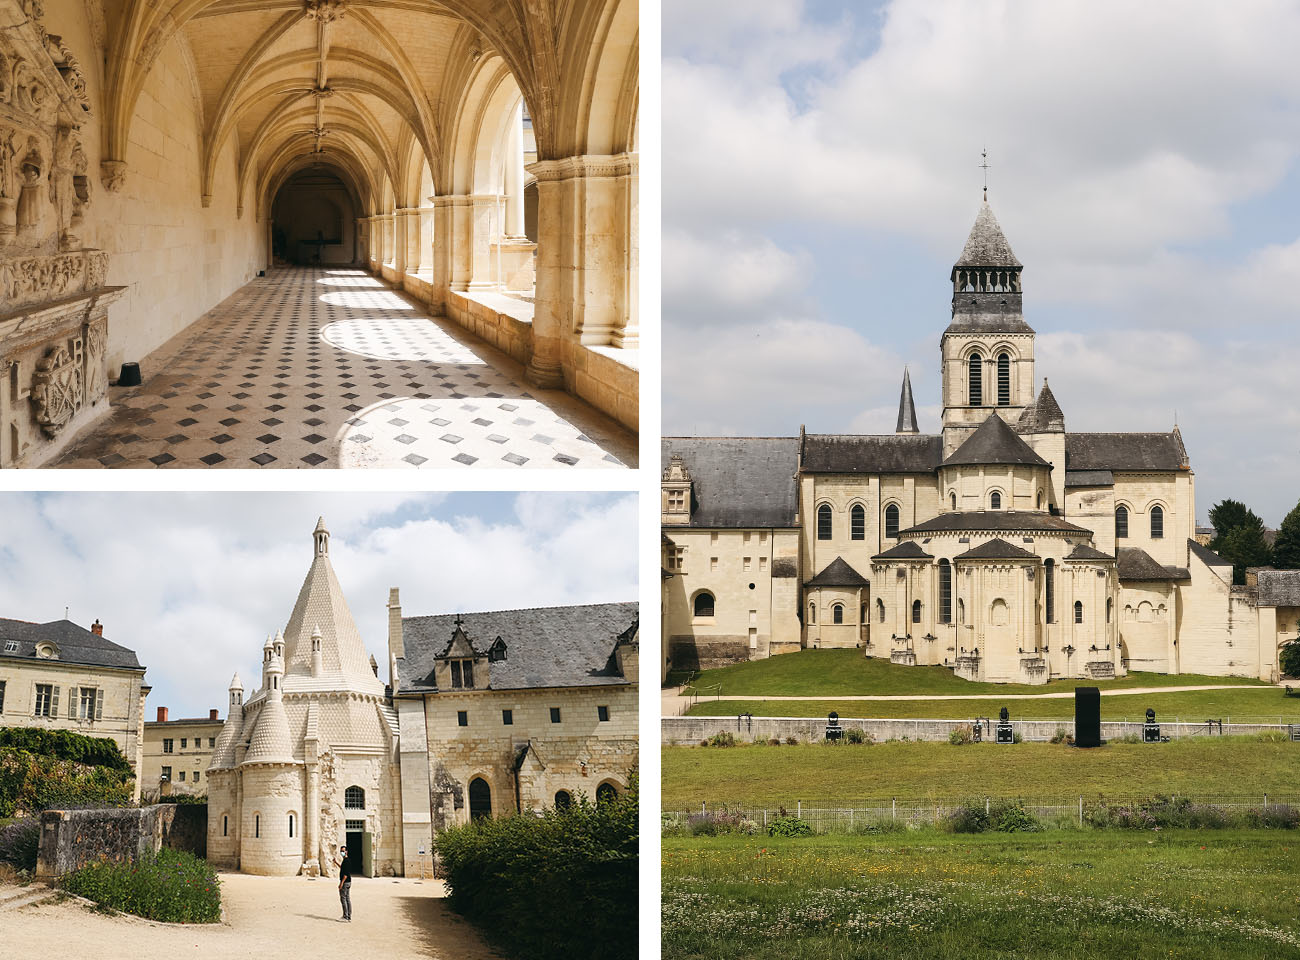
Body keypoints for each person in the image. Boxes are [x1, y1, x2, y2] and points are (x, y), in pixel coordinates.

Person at [334, 845, 352, 921]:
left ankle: (345, 916)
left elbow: (345, 874)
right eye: (341, 851)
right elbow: (343, 868)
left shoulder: (346, 861)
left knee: (343, 899)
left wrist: (341, 884)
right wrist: (336, 862)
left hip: (345, 882)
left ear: (346, 852)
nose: (342, 852)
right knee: (347, 899)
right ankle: (348, 916)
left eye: (343, 851)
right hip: (348, 882)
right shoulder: (345, 860)